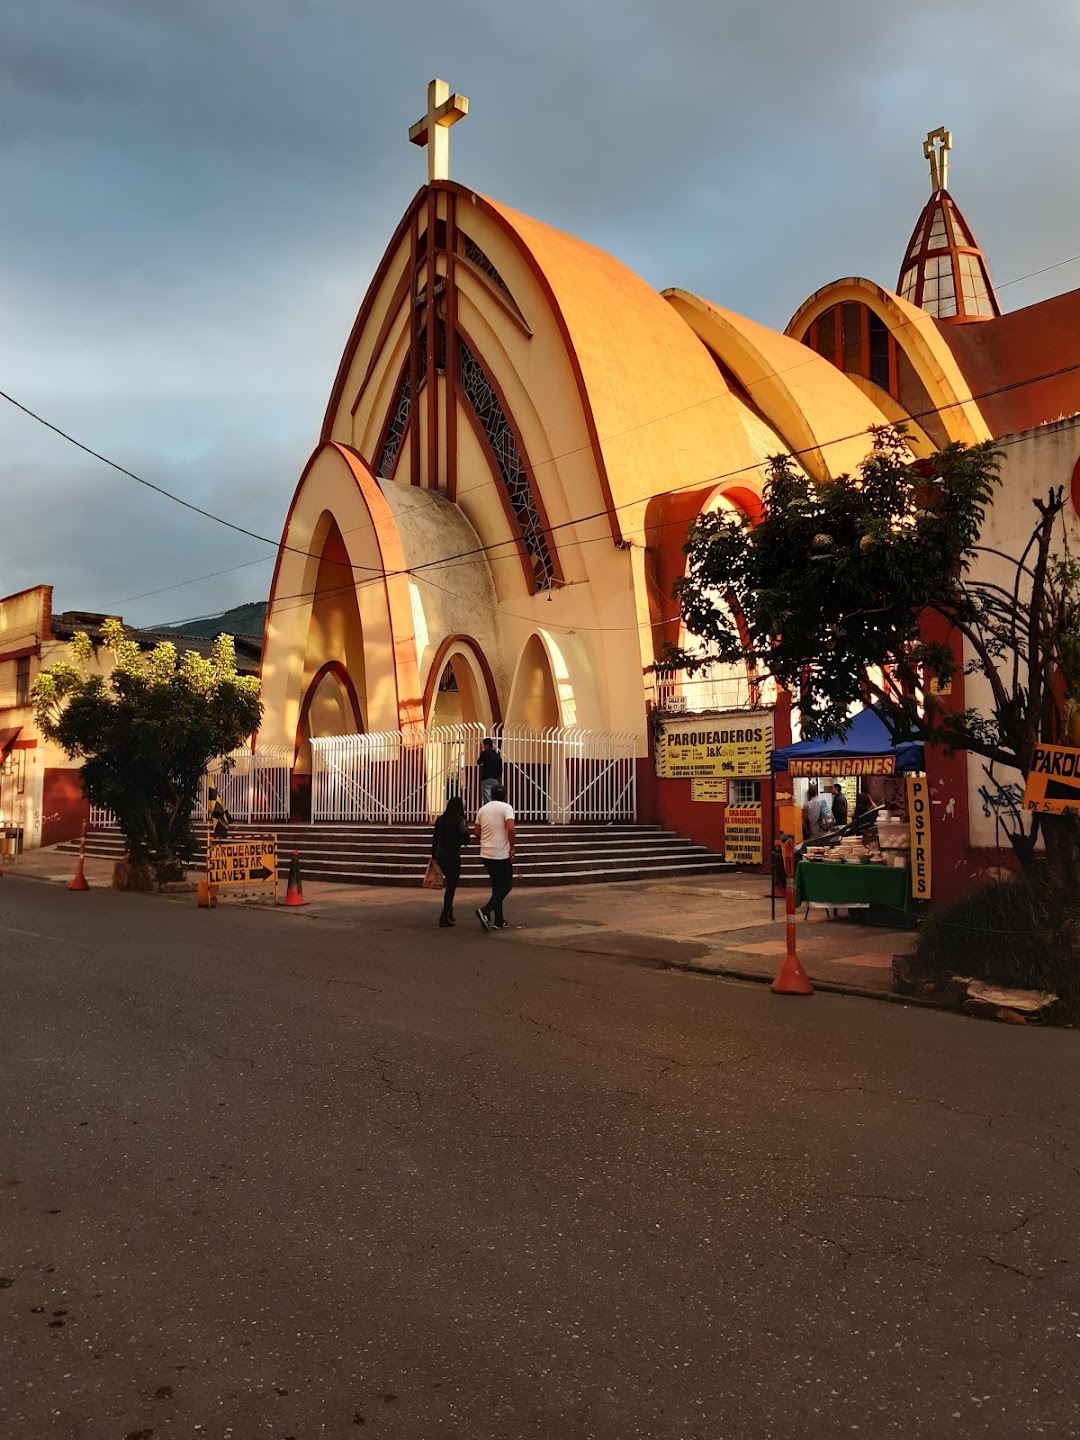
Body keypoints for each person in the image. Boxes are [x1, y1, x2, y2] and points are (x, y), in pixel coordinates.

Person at [474, 783, 515, 931]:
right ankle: (486, 910)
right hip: (501, 854)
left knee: (497, 887)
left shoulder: (482, 809)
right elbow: (510, 828)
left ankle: (499, 920)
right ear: (505, 796)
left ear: (491, 795)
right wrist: (512, 847)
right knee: (506, 886)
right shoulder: (506, 808)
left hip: (486, 853)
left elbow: (477, 832)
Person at [431, 794, 470, 928]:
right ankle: (445, 914)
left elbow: (435, 839)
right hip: (452, 856)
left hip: (441, 855)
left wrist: (433, 856)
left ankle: (450, 912)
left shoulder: (440, 819)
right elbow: (465, 838)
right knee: (451, 887)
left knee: (449, 885)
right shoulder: (459, 820)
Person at [477, 737, 504, 806]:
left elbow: (479, 762)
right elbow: (500, 770)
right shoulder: (497, 756)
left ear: (487, 745)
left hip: (486, 778)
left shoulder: (485, 753)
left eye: (484, 745)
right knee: (495, 798)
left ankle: (489, 811)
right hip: (495, 779)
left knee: (487, 799)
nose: (483, 747)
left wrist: (481, 752)